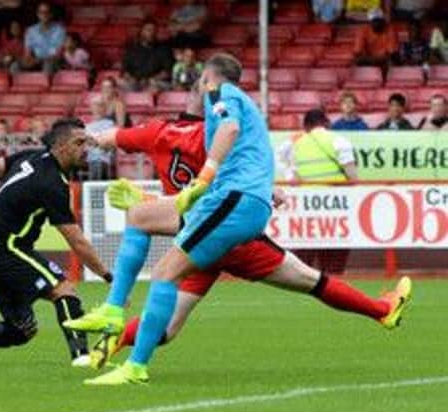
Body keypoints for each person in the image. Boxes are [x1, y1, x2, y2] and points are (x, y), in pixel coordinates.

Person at [65, 81, 411, 379]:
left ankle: (116, 337)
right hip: (229, 235)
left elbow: (104, 139)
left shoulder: (154, 131)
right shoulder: (213, 137)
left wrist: (79, 139)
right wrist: (268, 191)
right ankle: (382, 311)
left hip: (192, 238)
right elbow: (233, 179)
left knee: (168, 323)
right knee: (311, 280)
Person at [78, 53, 276, 385]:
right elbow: (246, 149)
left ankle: (135, 365)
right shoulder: (243, 101)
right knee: (140, 216)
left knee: (165, 272)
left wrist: (204, 178)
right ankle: (114, 313)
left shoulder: (220, 93)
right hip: (235, 199)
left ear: (205, 78)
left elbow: (228, 129)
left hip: (232, 201)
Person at [0, 118, 113, 369]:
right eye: (79, 143)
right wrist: (108, 276)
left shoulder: (30, 157)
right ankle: (82, 357)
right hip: (6, 247)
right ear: (61, 146)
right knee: (63, 290)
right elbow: (76, 239)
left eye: (86, 142)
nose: (85, 148)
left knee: (22, 329)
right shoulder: (53, 183)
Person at [277, 109, 357, 274]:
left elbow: (278, 157)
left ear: (305, 126)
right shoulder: (339, 141)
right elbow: (352, 177)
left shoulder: (294, 143)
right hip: (336, 208)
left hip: (306, 210)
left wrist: (291, 176)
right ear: (327, 123)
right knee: (334, 263)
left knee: (304, 261)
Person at [122, 20, 174, 92]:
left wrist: (150, 79)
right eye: (148, 30)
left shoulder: (164, 49)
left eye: (154, 30)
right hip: (135, 83)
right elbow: (125, 71)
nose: (151, 33)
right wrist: (132, 79)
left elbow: (168, 72)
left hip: (155, 82)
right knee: (118, 85)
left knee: (154, 88)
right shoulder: (132, 50)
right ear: (141, 31)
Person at [20, 2, 66, 75]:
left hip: (53, 60)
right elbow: (27, 52)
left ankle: (46, 85)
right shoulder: (30, 30)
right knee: (15, 66)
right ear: (37, 14)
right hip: (35, 60)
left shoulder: (59, 30)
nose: (44, 15)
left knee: (48, 65)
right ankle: (20, 86)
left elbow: (59, 54)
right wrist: (28, 59)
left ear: (51, 14)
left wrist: (40, 60)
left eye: (46, 12)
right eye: (41, 12)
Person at [85, 96, 115, 180]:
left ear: (104, 108)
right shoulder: (87, 126)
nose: (97, 108)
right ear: (91, 107)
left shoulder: (109, 124)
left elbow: (106, 142)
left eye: (100, 105)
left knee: (97, 164)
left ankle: (91, 190)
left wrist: (92, 141)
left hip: (102, 159)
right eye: (95, 105)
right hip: (88, 158)